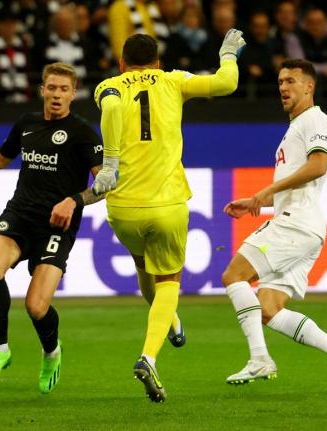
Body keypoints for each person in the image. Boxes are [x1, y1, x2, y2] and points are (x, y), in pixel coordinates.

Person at [92, 31, 245, 402]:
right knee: (169, 279)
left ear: (121, 63)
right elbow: (227, 84)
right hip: (167, 204)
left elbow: (111, 107)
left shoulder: (108, 85)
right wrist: (227, 55)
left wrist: (110, 163)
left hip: (123, 206)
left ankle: (172, 323)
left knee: (144, 265)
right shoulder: (173, 80)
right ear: (158, 62)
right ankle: (148, 356)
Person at [0, 62, 103, 394]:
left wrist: (73, 201)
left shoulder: (83, 132)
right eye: (51, 87)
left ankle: (52, 353)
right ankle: (1, 350)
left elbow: (107, 184)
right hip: (20, 214)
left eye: (63, 89)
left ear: (73, 93)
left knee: (36, 306)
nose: (56, 94)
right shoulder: (26, 123)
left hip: (56, 226)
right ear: (42, 90)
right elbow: (0, 158)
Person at [221, 58, 327, 393]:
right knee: (268, 310)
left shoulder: (315, 119)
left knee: (233, 276)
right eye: (280, 82)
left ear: (309, 86)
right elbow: (297, 183)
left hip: (296, 224)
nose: (283, 87)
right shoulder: (295, 127)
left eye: (291, 81)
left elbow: (318, 166)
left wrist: (268, 190)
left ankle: (260, 359)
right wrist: (258, 200)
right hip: (302, 224)